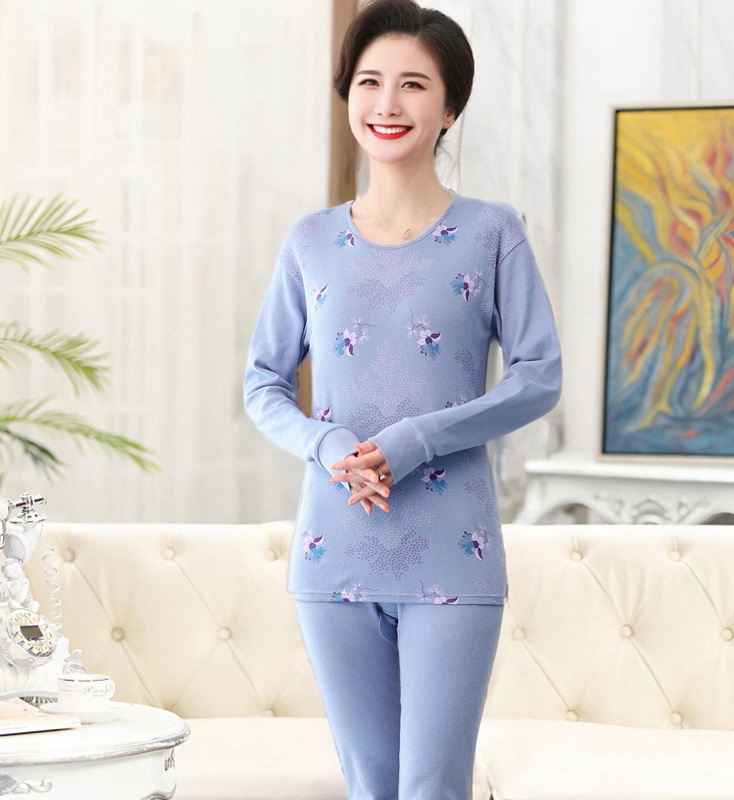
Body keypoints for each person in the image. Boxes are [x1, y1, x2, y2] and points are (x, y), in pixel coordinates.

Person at [244, 1, 561, 797]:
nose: (387, 103)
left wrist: (418, 438)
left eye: (414, 85)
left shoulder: (493, 233)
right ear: (348, 94)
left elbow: (538, 374)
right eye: (370, 82)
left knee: (432, 788)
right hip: (333, 551)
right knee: (371, 785)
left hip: (454, 552)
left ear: (450, 107)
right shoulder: (310, 241)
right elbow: (264, 384)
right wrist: (326, 443)